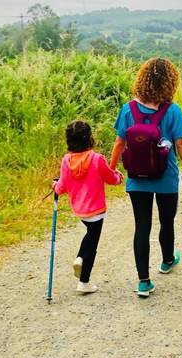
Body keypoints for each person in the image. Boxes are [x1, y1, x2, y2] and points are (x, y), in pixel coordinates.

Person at [109, 58, 182, 297]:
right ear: (170, 82)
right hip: (166, 178)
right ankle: (167, 260)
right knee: (167, 222)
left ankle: (143, 281)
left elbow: (119, 142)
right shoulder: (173, 111)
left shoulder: (128, 109)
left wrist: (113, 169)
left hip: (137, 178)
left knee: (141, 227)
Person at [53, 121, 123, 294]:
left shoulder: (66, 160)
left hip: (80, 210)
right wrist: (119, 177)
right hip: (96, 210)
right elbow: (110, 178)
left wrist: (54, 186)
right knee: (93, 242)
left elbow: (61, 187)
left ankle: (80, 257)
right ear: (89, 138)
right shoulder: (96, 159)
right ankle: (84, 280)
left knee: (90, 235)